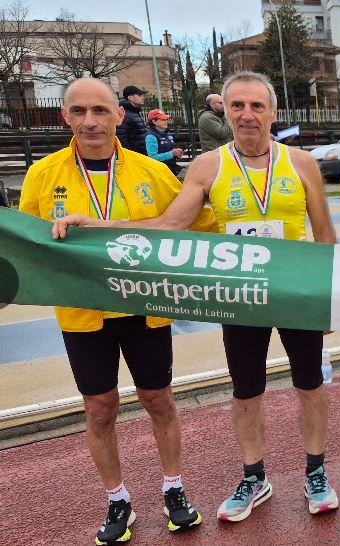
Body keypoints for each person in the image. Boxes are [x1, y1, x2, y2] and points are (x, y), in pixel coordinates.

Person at [53, 71, 339, 524]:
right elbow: (168, 227)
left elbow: (324, 234)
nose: (247, 114)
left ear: (273, 112)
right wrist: (97, 226)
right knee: (247, 391)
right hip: (240, 298)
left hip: (296, 294)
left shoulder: (301, 163)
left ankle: (316, 471)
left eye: (257, 106)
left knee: (310, 385)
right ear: (224, 111)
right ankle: (253, 477)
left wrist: (327, 299)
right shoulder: (208, 166)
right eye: (237, 106)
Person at [23, 78, 214, 544]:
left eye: (100, 111)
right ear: (65, 116)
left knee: (158, 399)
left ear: (117, 115)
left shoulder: (151, 172)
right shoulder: (43, 176)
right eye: (80, 111)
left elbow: (194, 223)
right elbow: (25, 243)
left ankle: (174, 488)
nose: (91, 121)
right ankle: (118, 499)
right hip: (83, 313)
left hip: (145, 308)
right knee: (100, 408)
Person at [145, 109, 184, 176]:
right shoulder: (151, 136)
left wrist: (177, 154)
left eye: (166, 119)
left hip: (171, 169)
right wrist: (171, 154)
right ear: (154, 121)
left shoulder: (167, 134)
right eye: (163, 120)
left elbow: (170, 151)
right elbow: (152, 157)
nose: (166, 122)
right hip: (160, 172)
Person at [117, 85, 148, 155]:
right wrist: (133, 154)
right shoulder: (125, 114)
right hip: (135, 157)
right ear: (130, 97)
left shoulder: (134, 112)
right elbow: (121, 139)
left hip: (141, 156)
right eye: (139, 95)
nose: (143, 97)